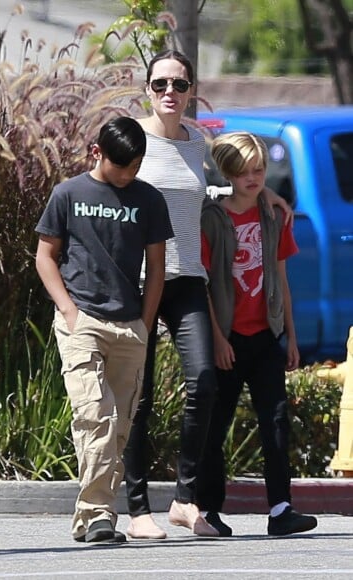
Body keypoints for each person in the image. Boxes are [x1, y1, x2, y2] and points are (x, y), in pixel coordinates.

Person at [122, 49, 293, 540]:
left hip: (187, 278)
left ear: (192, 89)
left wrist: (267, 195)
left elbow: (215, 194)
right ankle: (136, 509)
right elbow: (106, 190)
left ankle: (183, 498)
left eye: (179, 84)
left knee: (204, 381)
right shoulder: (133, 139)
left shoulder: (198, 144)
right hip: (139, 281)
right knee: (140, 395)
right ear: (147, 89)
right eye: (160, 85)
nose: (169, 93)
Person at [35, 116, 174, 543]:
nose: (130, 173)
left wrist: (146, 324)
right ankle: (97, 516)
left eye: (136, 165)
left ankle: (92, 516)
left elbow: (156, 268)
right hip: (83, 321)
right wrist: (69, 311)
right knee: (94, 415)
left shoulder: (149, 200)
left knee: (119, 426)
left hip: (129, 323)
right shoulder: (68, 194)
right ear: (97, 154)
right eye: (123, 166)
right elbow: (45, 256)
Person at [196, 131, 318, 537]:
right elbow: (204, 283)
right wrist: (216, 336)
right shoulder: (212, 219)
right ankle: (208, 509)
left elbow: (281, 277)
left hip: (266, 334)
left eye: (260, 170)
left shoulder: (273, 215)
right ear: (229, 173)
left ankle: (281, 509)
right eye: (244, 171)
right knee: (217, 425)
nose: (253, 178)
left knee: (276, 421)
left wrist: (292, 337)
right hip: (228, 337)